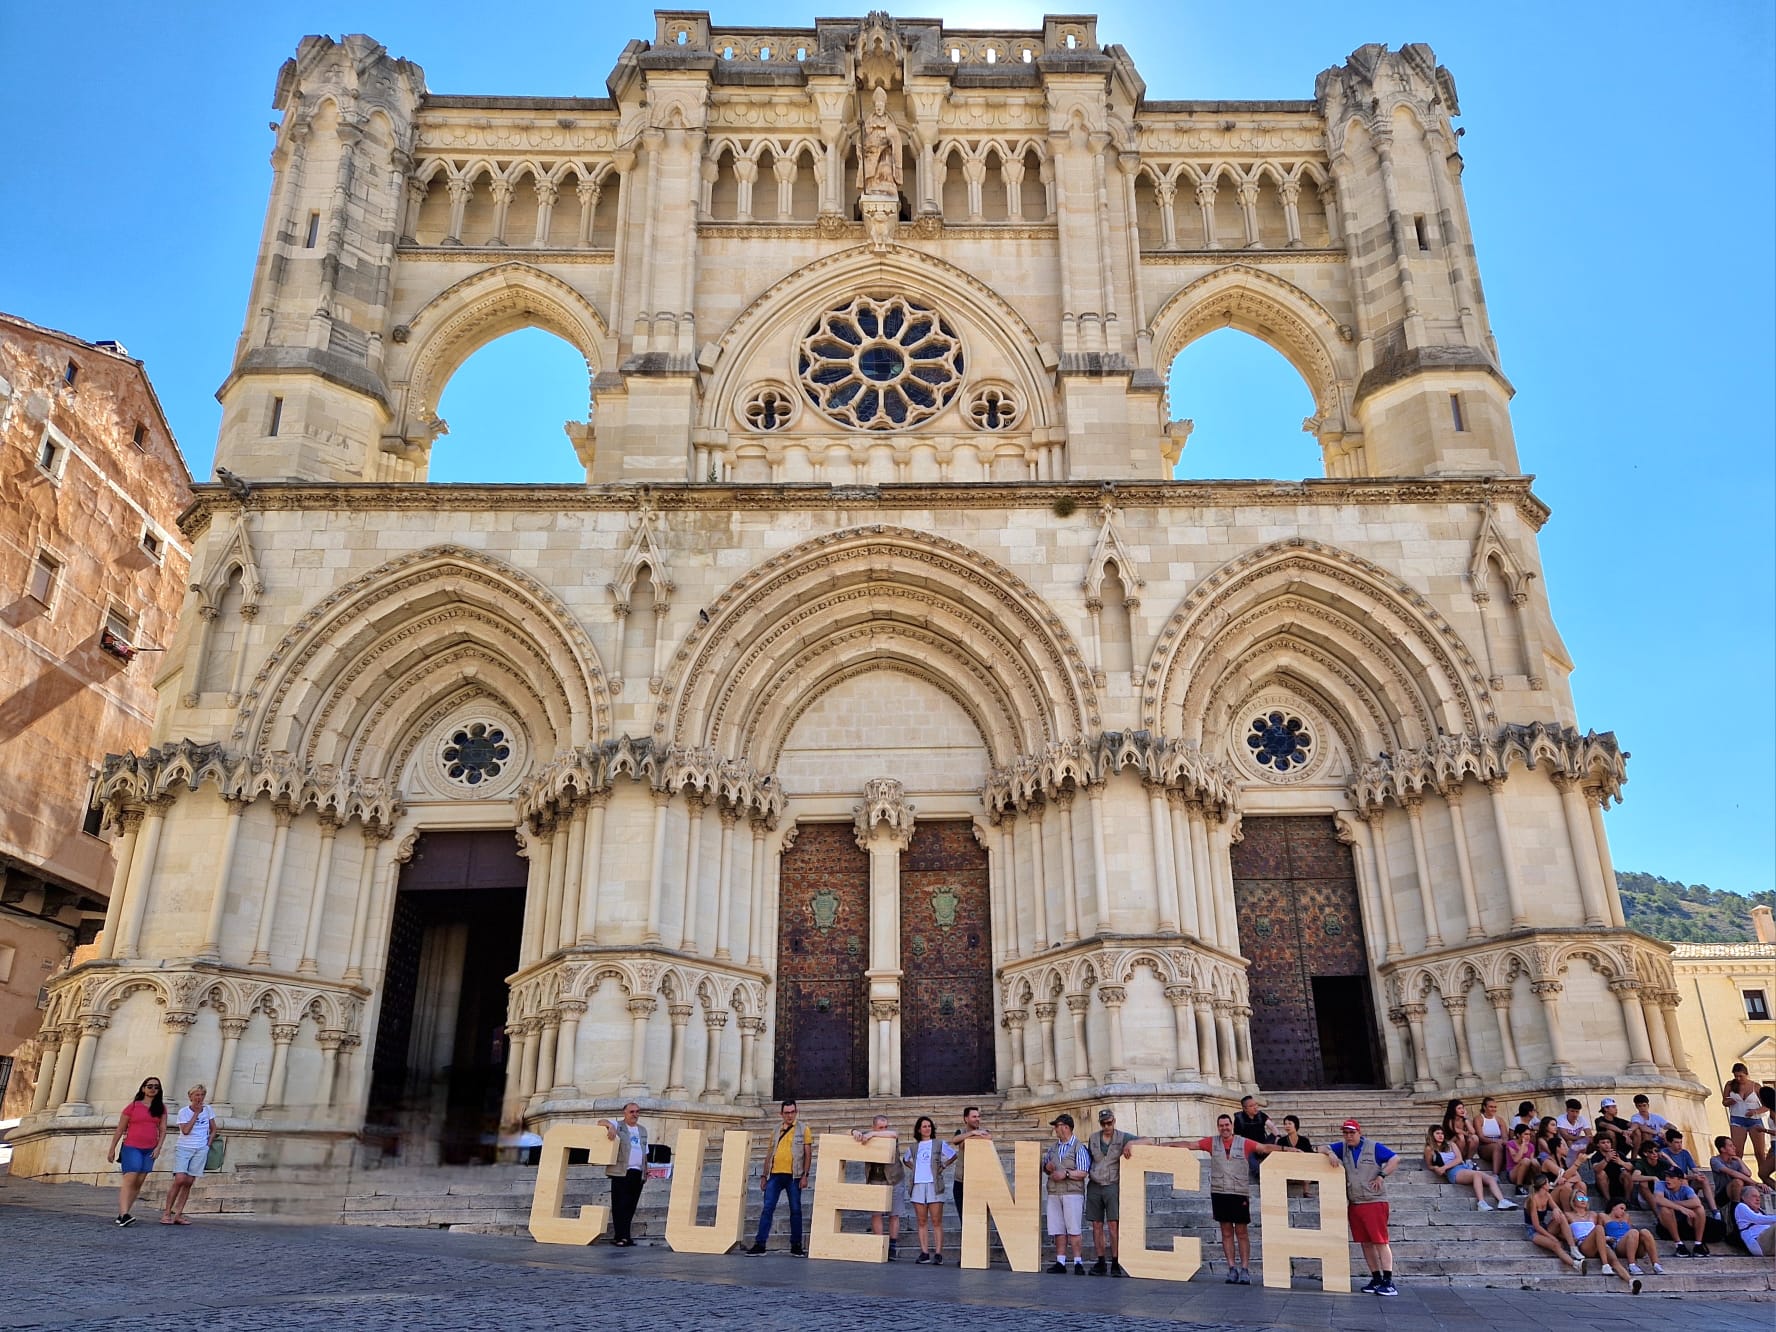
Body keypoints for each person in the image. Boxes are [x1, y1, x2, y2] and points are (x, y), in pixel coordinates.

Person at [1187, 1112, 1289, 1285]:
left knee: (1241, 1233)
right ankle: (1232, 1268)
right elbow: (1190, 1145)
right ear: (1218, 1127)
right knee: (1226, 1232)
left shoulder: (1243, 1142)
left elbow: (1264, 1148)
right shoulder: (1212, 1142)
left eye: (1227, 1125)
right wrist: (1163, 1145)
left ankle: (1245, 1269)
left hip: (1239, 1193)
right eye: (1221, 1126)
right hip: (1220, 1192)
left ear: (1231, 1126)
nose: (1224, 1128)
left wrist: (1288, 1149)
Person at [1323, 1119, 1399, 1296]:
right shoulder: (1342, 1148)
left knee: (1380, 1241)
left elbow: (1395, 1159)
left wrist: (1382, 1175)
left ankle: (1388, 1280)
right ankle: (1376, 1277)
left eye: (1352, 1133)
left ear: (1359, 1132)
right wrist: (1330, 1153)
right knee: (1365, 1243)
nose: (1349, 1136)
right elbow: (1321, 1147)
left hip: (1374, 1201)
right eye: (1346, 1133)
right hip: (1356, 1202)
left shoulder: (1374, 1147)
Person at [747, 1099, 812, 1256]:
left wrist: (805, 1175)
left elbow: (808, 1154)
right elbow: (769, 1153)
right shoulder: (775, 1130)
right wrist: (764, 1175)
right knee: (767, 1208)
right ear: (781, 1114)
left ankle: (796, 1245)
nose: (790, 1115)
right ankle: (760, 1244)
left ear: (796, 1112)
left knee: (795, 1210)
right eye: (787, 1112)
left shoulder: (804, 1129)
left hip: (794, 1176)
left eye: (792, 1112)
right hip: (775, 1175)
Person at [105, 1076, 166, 1226]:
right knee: (130, 1178)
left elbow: (163, 1130)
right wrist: (112, 1148)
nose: (152, 1089)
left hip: (150, 1149)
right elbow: (120, 1129)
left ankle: (122, 1214)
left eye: (156, 1087)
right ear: (143, 1088)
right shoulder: (132, 1107)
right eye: (149, 1086)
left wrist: (158, 1148)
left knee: (138, 1183)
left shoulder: (161, 1108)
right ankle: (125, 1214)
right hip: (132, 1146)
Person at [1085, 1108, 1137, 1276]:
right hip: (1095, 1184)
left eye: (1109, 1122)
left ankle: (1116, 1261)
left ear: (1114, 1121)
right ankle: (1101, 1261)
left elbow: (1148, 1140)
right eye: (1103, 1123)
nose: (1107, 1126)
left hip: (1112, 1184)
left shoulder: (1123, 1137)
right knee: (1096, 1225)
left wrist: (1131, 1144)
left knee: (1113, 1224)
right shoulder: (1093, 1138)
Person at [1040, 1114, 1091, 1274]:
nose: (1055, 1129)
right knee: (1058, 1228)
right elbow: (1045, 1165)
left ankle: (1078, 1262)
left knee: (1074, 1228)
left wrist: (1066, 1174)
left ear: (1066, 1127)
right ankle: (1060, 1261)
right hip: (1055, 1192)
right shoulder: (1053, 1148)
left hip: (1072, 1192)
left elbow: (1083, 1172)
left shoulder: (1079, 1147)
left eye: (1057, 1126)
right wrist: (1046, 1167)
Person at [901, 1115, 956, 1264]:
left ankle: (938, 1253)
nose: (927, 1129)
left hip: (934, 1184)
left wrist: (943, 1166)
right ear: (919, 1129)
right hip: (918, 1184)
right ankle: (924, 1252)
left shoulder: (939, 1143)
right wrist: (915, 1169)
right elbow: (905, 1160)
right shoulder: (914, 1147)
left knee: (936, 1220)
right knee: (921, 1220)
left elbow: (953, 1155)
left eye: (929, 1126)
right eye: (924, 1126)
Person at [161, 1083, 217, 1225]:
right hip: (185, 1147)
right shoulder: (183, 1111)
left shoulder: (209, 1110)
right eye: (197, 1095)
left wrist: (208, 1143)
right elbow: (185, 1130)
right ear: (190, 1096)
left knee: (189, 1182)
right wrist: (196, 1114)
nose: (200, 1098)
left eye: (202, 1095)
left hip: (200, 1148)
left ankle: (178, 1214)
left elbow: (213, 1128)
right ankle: (167, 1212)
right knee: (180, 1179)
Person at [1423, 1125, 1513, 1210]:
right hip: (1453, 1172)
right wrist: (1436, 1168)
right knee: (1477, 1174)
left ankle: (1502, 1201)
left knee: (1490, 1179)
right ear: (1432, 1135)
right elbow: (1429, 1165)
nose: (1440, 1136)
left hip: (1462, 1166)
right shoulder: (1429, 1149)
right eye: (1437, 1133)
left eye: (1442, 1133)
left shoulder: (1450, 1144)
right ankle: (1481, 1202)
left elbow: (1459, 1158)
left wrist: (1444, 1167)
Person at [1566, 1190, 1641, 1292]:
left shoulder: (1593, 1215)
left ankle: (1631, 1281)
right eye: (1580, 1198)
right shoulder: (1568, 1215)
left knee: (1614, 1261)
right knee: (1598, 1228)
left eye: (1585, 1198)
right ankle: (1605, 1265)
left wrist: (1607, 1237)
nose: (1583, 1200)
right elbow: (1563, 1232)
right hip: (1585, 1243)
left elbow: (1604, 1228)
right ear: (1573, 1201)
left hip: (1600, 1242)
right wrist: (1572, 1239)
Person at [853, 1114, 903, 1260]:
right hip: (875, 1180)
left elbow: (894, 1134)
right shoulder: (868, 1137)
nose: (884, 1130)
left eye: (885, 1127)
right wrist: (854, 1132)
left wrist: (874, 1134)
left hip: (894, 1179)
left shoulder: (890, 1136)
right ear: (873, 1126)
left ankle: (892, 1246)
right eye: (880, 1128)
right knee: (876, 1214)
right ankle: (878, 1245)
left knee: (894, 1214)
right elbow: (851, 1133)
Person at [602, 1102, 649, 1246]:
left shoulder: (642, 1130)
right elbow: (600, 1122)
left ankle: (626, 1236)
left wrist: (645, 1170)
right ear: (625, 1113)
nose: (635, 1114)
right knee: (619, 1205)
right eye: (632, 1112)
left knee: (630, 1205)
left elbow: (644, 1152)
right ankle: (619, 1236)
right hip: (621, 1172)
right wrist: (610, 1127)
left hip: (637, 1172)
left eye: (637, 1112)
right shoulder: (618, 1125)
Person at [1522, 1175, 1586, 1273]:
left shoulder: (1547, 1195)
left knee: (1561, 1216)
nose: (1550, 1184)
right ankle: (1576, 1265)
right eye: (1547, 1183)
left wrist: (1556, 1210)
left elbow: (1557, 1209)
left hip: (1544, 1225)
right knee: (1555, 1245)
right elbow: (1536, 1226)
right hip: (1533, 1230)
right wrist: (1552, 1237)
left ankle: (1573, 1248)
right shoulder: (1532, 1200)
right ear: (1543, 1185)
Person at [1723, 1062, 1772, 1183]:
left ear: (1746, 1074)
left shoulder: (1756, 1087)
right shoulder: (1730, 1085)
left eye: (1741, 1076)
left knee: (1760, 1152)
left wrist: (1755, 1111)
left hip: (1754, 1120)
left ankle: (1764, 1179)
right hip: (1737, 1118)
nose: (1738, 1079)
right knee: (1737, 1151)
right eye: (1736, 1076)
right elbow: (1724, 1101)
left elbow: (1766, 1106)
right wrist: (1729, 1102)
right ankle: (1739, 1179)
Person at [1652, 1165, 1709, 1256]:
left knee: (1700, 1209)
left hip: (1683, 1222)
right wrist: (1681, 1208)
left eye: (1671, 1177)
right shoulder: (1660, 1184)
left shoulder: (1686, 1189)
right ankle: (1678, 1244)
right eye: (1667, 1176)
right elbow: (1659, 1199)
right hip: (1665, 1226)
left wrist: (1673, 1203)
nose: (1667, 1179)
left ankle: (1698, 1244)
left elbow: (1696, 1202)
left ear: (1680, 1180)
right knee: (1665, 1208)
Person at [1659, 1128, 1718, 1216]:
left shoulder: (1685, 1153)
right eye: (1676, 1142)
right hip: (1672, 1183)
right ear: (1669, 1143)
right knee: (1683, 1180)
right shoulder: (1663, 1153)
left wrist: (1698, 1174)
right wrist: (1668, 1158)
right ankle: (1688, 1208)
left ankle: (1715, 1211)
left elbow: (1694, 1168)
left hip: (1685, 1180)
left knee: (1703, 1179)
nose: (1680, 1145)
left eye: (1681, 1142)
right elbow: (1677, 1172)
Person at [950, 1105, 991, 1220]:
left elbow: (987, 1138)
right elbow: (955, 1140)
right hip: (960, 1181)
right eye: (974, 1116)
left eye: (978, 1116)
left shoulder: (984, 1131)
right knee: (964, 1217)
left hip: (977, 1180)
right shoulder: (960, 1131)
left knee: (977, 1218)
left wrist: (967, 1139)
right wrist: (973, 1133)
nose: (977, 1119)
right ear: (966, 1119)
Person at [1603, 1200, 1665, 1275]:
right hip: (1618, 1244)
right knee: (1633, 1232)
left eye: (1624, 1210)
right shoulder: (1603, 1216)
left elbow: (1630, 1229)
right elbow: (1599, 1231)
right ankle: (1631, 1265)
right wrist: (1607, 1238)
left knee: (1645, 1231)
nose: (1623, 1211)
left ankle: (1656, 1264)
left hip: (1633, 1243)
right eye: (1621, 1208)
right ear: (1613, 1207)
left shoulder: (1626, 1216)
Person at [1585, 1135, 1636, 1212]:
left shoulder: (1618, 1154)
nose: (1606, 1144)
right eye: (1603, 1142)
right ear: (1598, 1145)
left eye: (1608, 1142)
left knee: (1627, 1173)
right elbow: (1596, 1169)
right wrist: (1606, 1159)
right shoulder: (1596, 1156)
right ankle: (1608, 1202)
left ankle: (1627, 1201)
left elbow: (1631, 1168)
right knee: (1601, 1174)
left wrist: (1621, 1162)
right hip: (1605, 1185)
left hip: (1619, 1183)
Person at [1711, 1134, 1757, 1206]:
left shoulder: (1735, 1161)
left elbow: (1748, 1174)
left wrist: (1739, 1160)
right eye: (1730, 1146)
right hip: (1722, 1196)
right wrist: (1756, 1183)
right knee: (1738, 1182)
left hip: (1736, 1191)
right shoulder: (1715, 1160)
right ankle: (1735, 1208)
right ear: (1722, 1149)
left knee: (1748, 1183)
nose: (1734, 1148)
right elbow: (1731, 1172)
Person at [1733, 1182, 1776, 1256]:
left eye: (1759, 1197)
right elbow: (1757, 1219)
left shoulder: (1761, 1211)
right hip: (1759, 1243)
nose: (1758, 1199)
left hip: (1770, 1243)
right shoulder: (1741, 1206)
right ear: (1743, 1197)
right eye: (1754, 1196)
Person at [1474, 1097, 1509, 1175]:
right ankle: (1495, 1174)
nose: (1493, 1109)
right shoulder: (1478, 1119)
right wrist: (1495, 1141)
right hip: (1484, 1146)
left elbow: (1505, 1136)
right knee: (1497, 1147)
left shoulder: (1499, 1119)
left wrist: (1504, 1141)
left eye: (1495, 1107)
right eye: (1491, 1107)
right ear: (1484, 1107)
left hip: (1499, 1143)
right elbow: (1481, 1137)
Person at [1553, 1098, 1592, 1167]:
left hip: (1577, 1143)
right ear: (1567, 1110)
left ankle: (1581, 1162)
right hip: (1563, 1143)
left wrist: (1585, 1139)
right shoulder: (1561, 1119)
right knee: (1570, 1141)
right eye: (1572, 1111)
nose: (1575, 1114)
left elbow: (1589, 1135)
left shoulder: (1581, 1119)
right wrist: (1581, 1137)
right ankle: (1576, 1163)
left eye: (1577, 1112)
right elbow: (1565, 1136)